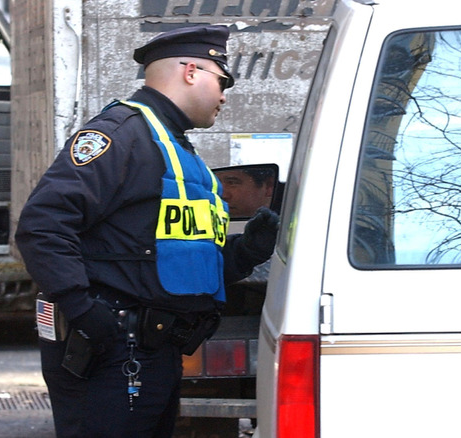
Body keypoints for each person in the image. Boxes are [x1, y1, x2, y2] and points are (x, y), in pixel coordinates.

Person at [15, 24, 279, 438]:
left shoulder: (173, 146)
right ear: (191, 71)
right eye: (222, 80)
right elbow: (41, 225)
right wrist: (84, 311)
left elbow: (173, 260)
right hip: (115, 351)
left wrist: (247, 252)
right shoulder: (120, 135)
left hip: (152, 351)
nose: (224, 94)